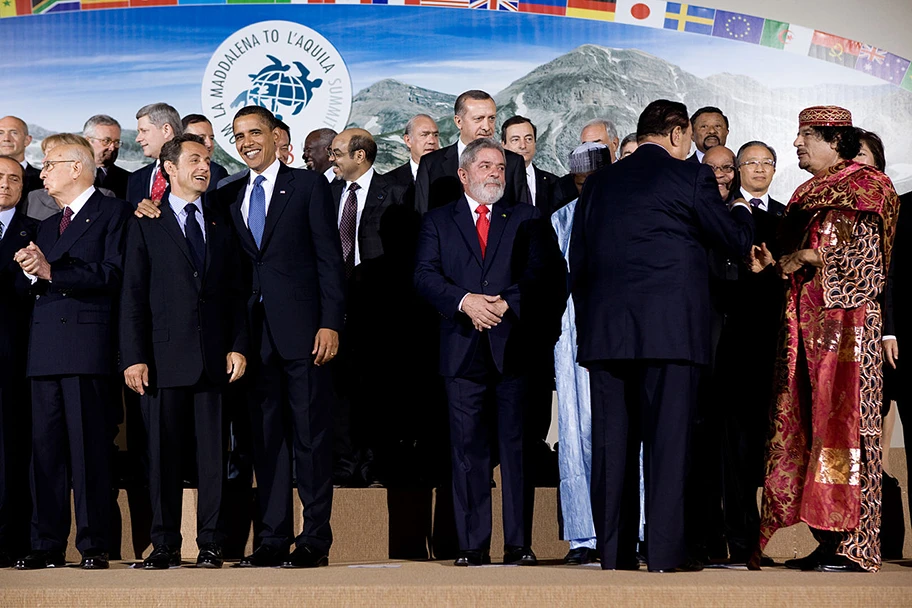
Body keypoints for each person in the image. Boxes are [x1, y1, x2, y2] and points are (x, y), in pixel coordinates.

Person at [570, 99, 754, 572]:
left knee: (613, 448)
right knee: (668, 444)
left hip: (607, 336)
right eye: (689, 136)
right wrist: (738, 208)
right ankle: (664, 557)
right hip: (671, 336)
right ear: (675, 134)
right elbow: (731, 240)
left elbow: (579, 258)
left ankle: (613, 555)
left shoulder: (599, 182)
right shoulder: (689, 176)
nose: (691, 145)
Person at [755, 106, 900, 573]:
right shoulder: (805, 193)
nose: (796, 144)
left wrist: (813, 256)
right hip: (806, 332)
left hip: (851, 328)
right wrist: (775, 266)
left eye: (805, 136)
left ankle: (857, 543)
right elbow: (795, 263)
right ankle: (827, 533)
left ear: (834, 139)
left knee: (850, 433)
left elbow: (872, 264)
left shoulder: (869, 185)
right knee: (816, 434)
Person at [414, 138, 561, 566]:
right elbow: (424, 275)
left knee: (516, 450)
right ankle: (472, 545)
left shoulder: (528, 217)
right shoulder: (438, 221)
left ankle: (518, 544)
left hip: (512, 349)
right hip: (461, 350)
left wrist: (505, 302)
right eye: (485, 166)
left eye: (500, 167)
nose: (495, 173)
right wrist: (466, 301)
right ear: (464, 174)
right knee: (467, 452)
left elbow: (544, 273)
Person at [219, 106, 345, 569]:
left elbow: (329, 260)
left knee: (311, 437)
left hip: (306, 334)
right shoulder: (229, 196)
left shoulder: (309, 186)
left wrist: (331, 322)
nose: (247, 142)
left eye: (255, 133)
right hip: (254, 341)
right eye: (238, 136)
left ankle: (314, 539)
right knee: (264, 441)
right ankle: (272, 538)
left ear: (277, 137)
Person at [119, 134, 249, 570]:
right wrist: (133, 356)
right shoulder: (144, 222)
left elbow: (235, 294)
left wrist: (238, 345)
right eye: (194, 159)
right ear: (169, 168)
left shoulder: (221, 221)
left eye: (208, 160)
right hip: (160, 359)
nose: (204, 167)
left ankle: (211, 543)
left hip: (214, 360)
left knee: (214, 459)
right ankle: (165, 545)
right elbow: (132, 295)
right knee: (162, 457)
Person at [13, 144, 131, 570]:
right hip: (44, 351)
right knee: (44, 454)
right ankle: (45, 543)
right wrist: (30, 272)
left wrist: (51, 272)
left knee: (89, 452)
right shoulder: (44, 226)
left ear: (77, 168)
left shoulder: (114, 213)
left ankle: (94, 543)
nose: (41, 174)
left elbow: (114, 274)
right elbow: (35, 286)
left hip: (86, 349)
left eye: (48, 165)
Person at [327, 128, 408, 486]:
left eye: (337, 152)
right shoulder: (326, 193)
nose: (332, 159)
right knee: (339, 386)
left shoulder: (396, 194)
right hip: (336, 306)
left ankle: (374, 461)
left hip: (380, 308)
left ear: (360, 156)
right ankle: (344, 460)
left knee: (377, 387)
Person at [551, 142, 613, 565]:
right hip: (573, 338)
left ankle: (638, 527)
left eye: (594, 179)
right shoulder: (561, 219)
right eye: (580, 181)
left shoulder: (630, 210)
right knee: (576, 434)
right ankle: (584, 535)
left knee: (633, 435)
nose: (587, 186)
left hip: (624, 334)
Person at [852, 127, 905, 559]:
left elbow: (891, 273)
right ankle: (865, 538)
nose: (858, 162)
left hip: (888, 339)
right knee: (863, 444)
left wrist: (888, 328)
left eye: (865, 156)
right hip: (860, 341)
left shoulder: (895, 205)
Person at [0, 156, 38, 567]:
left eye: (14, 179)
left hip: (12, 360)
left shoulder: (36, 233)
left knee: (10, 452)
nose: (6, 184)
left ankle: (10, 539)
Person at [414, 90, 528, 214]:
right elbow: (421, 215)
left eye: (491, 118)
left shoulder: (513, 162)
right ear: (458, 122)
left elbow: (524, 215)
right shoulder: (430, 163)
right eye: (478, 119)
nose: (487, 127)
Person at [27, 134, 115, 221]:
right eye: (45, 154)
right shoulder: (34, 197)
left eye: (51, 154)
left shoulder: (106, 198)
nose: (44, 160)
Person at [126, 103, 182, 206]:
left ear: (166, 130)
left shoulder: (198, 172)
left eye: (144, 131)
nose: (138, 139)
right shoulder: (135, 178)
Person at [83, 114, 131, 200]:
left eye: (116, 142)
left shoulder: (130, 180)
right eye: (106, 141)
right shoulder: (69, 175)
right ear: (88, 141)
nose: (112, 148)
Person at [387, 114, 440, 190]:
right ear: (408, 140)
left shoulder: (454, 174)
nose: (432, 141)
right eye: (424, 135)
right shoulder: (389, 182)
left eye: (435, 135)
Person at [181, 114, 230, 191]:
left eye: (211, 138)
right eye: (201, 138)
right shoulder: (171, 169)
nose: (209, 144)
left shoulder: (216, 173)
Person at [0, 116, 41, 194]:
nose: (6, 138)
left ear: (27, 140)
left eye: (14, 133)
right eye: (0, 133)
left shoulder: (44, 180)